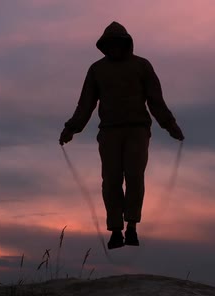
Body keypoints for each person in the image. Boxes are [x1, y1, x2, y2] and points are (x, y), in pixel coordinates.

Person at [59, 21, 184, 249]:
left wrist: (170, 125)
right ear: (105, 46)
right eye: (110, 44)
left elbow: (156, 101)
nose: (114, 48)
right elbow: (85, 104)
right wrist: (71, 129)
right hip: (109, 132)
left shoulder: (142, 66)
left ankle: (132, 227)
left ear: (126, 43)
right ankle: (116, 230)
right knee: (111, 181)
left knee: (135, 177)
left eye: (118, 43)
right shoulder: (97, 69)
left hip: (137, 130)